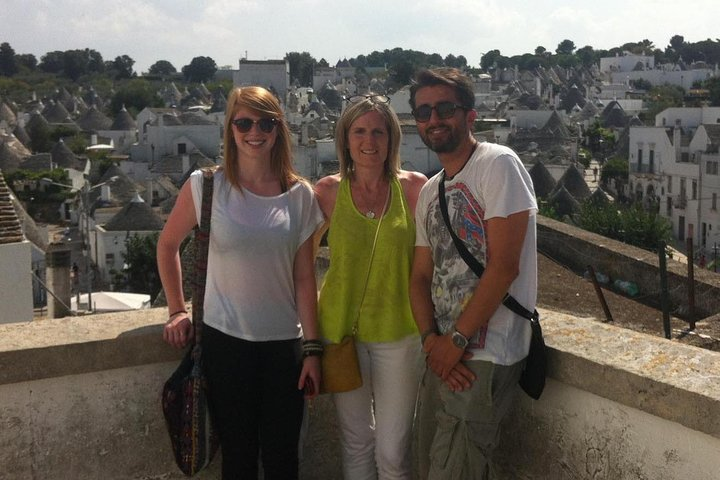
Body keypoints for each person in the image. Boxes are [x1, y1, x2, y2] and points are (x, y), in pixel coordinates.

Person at [157, 86, 324, 480]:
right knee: (238, 457)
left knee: (284, 458)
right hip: (225, 343)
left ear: (278, 128)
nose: (255, 131)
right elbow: (167, 245)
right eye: (244, 122)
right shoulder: (206, 186)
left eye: (265, 122)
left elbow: (304, 278)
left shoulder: (299, 195)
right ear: (230, 128)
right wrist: (177, 310)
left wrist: (313, 351)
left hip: (285, 347)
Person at [408, 68, 538, 479]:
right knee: (429, 462)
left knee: (456, 467)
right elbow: (419, 277)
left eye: (445, 107)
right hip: (443, 354)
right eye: (424, 111)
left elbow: (504, 267)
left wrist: (456, 340)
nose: (434, 119)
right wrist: (432, 341)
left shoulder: (498, 164)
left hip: (485, 352)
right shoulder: (431, 191)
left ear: (470, 115)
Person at [314, 94, 428, 479]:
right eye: (359, 131)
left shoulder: (414, 189)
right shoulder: (327, 193)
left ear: (392, 138)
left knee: (394, 450)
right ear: (345, 139)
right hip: (341, 335)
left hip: (400, 332)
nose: (369, 141)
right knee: (356, 443)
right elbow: (299, 262)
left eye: (378, 131)